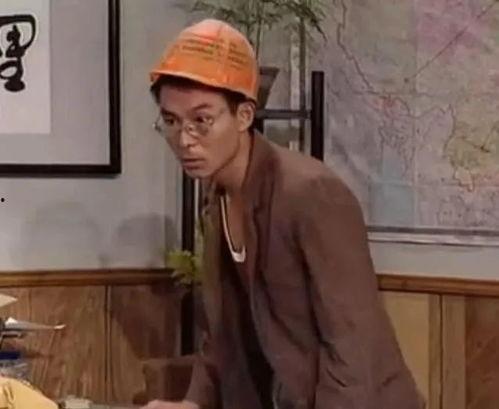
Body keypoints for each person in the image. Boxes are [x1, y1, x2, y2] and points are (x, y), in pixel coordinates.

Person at [142, 19, 423, 409]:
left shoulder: (309, 192)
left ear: (244, 116)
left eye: (202, 121)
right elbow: (222, 331)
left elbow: (352, 346)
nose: (185, 139)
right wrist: (193, 403)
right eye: (172, 121)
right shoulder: (216, 197)